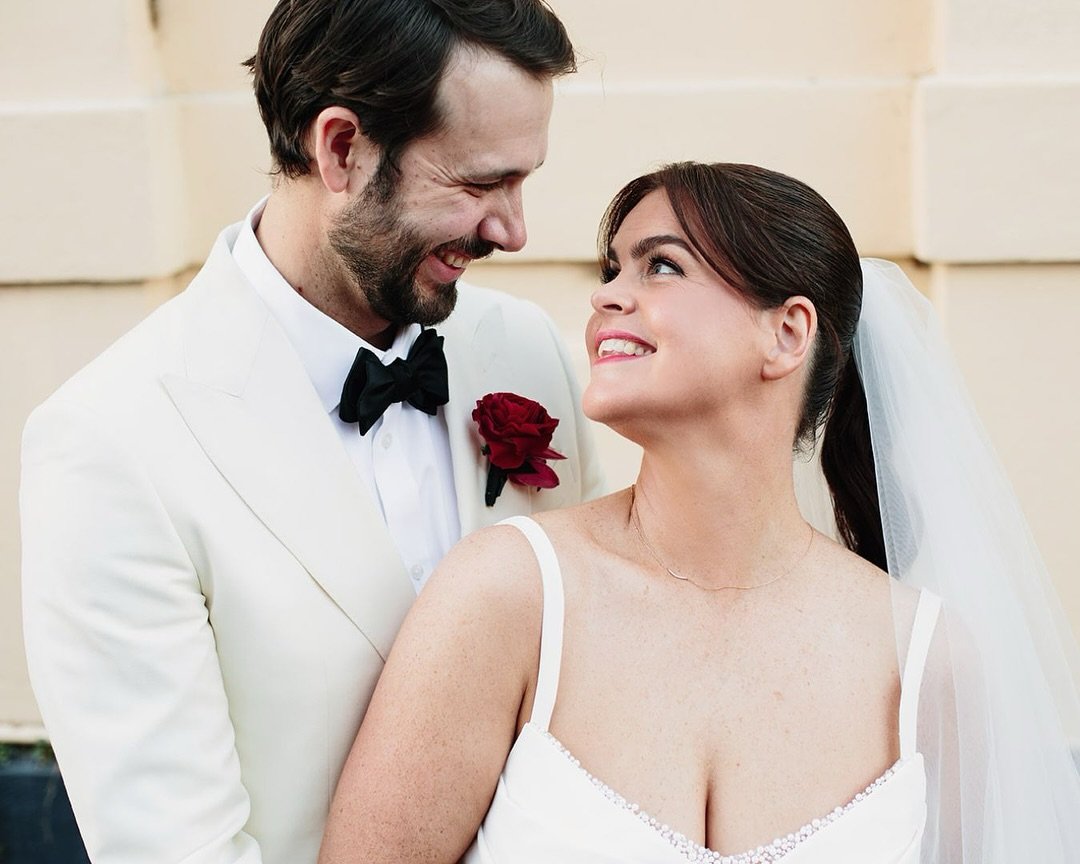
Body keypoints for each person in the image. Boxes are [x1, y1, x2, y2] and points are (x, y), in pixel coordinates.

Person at [318, 162, 1080, 863]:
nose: (608, 294)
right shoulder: (508, 593)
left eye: (661, 265)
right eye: (612, 267)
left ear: (786, 334)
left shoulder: (926, 658)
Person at [20, 2, 604, 863]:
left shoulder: (523, 351)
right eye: (480, 184)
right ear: (340, 149)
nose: (512, 230)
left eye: (523, 181)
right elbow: (176, 849)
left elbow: (593, 678)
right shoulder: (109, 442)